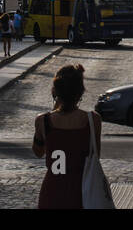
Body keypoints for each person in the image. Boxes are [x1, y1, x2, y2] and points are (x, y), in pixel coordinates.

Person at [33, 64, 101, 209]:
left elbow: (38, 152)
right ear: (80, 92)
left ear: (55, 91)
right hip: (82, 190)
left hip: (53, 189)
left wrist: (54, 108)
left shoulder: (43, 120)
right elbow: (95, 155)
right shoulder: (93, 120)